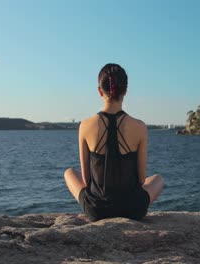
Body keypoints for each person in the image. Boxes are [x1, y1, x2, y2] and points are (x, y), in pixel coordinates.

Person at [64, 63, 164, 221]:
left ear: (99, 91)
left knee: (69, 173)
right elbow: (142, 179)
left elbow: (86, 179)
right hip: (133, 210)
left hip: (96, 210)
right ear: (125, 91)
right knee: (158, 179)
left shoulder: (85, 125)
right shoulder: (139, 127)